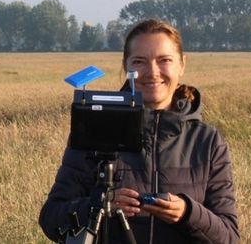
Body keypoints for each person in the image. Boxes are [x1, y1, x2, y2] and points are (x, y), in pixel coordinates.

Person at [39, 19, 238, 243]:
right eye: (139, 61)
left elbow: (229, 236)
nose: (152, 72)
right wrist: (100, 205)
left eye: (164, 60)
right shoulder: (95, 131)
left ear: (182, 64)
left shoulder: (207, 142)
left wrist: (188, 213)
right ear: (126, 67)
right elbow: (51, 219)